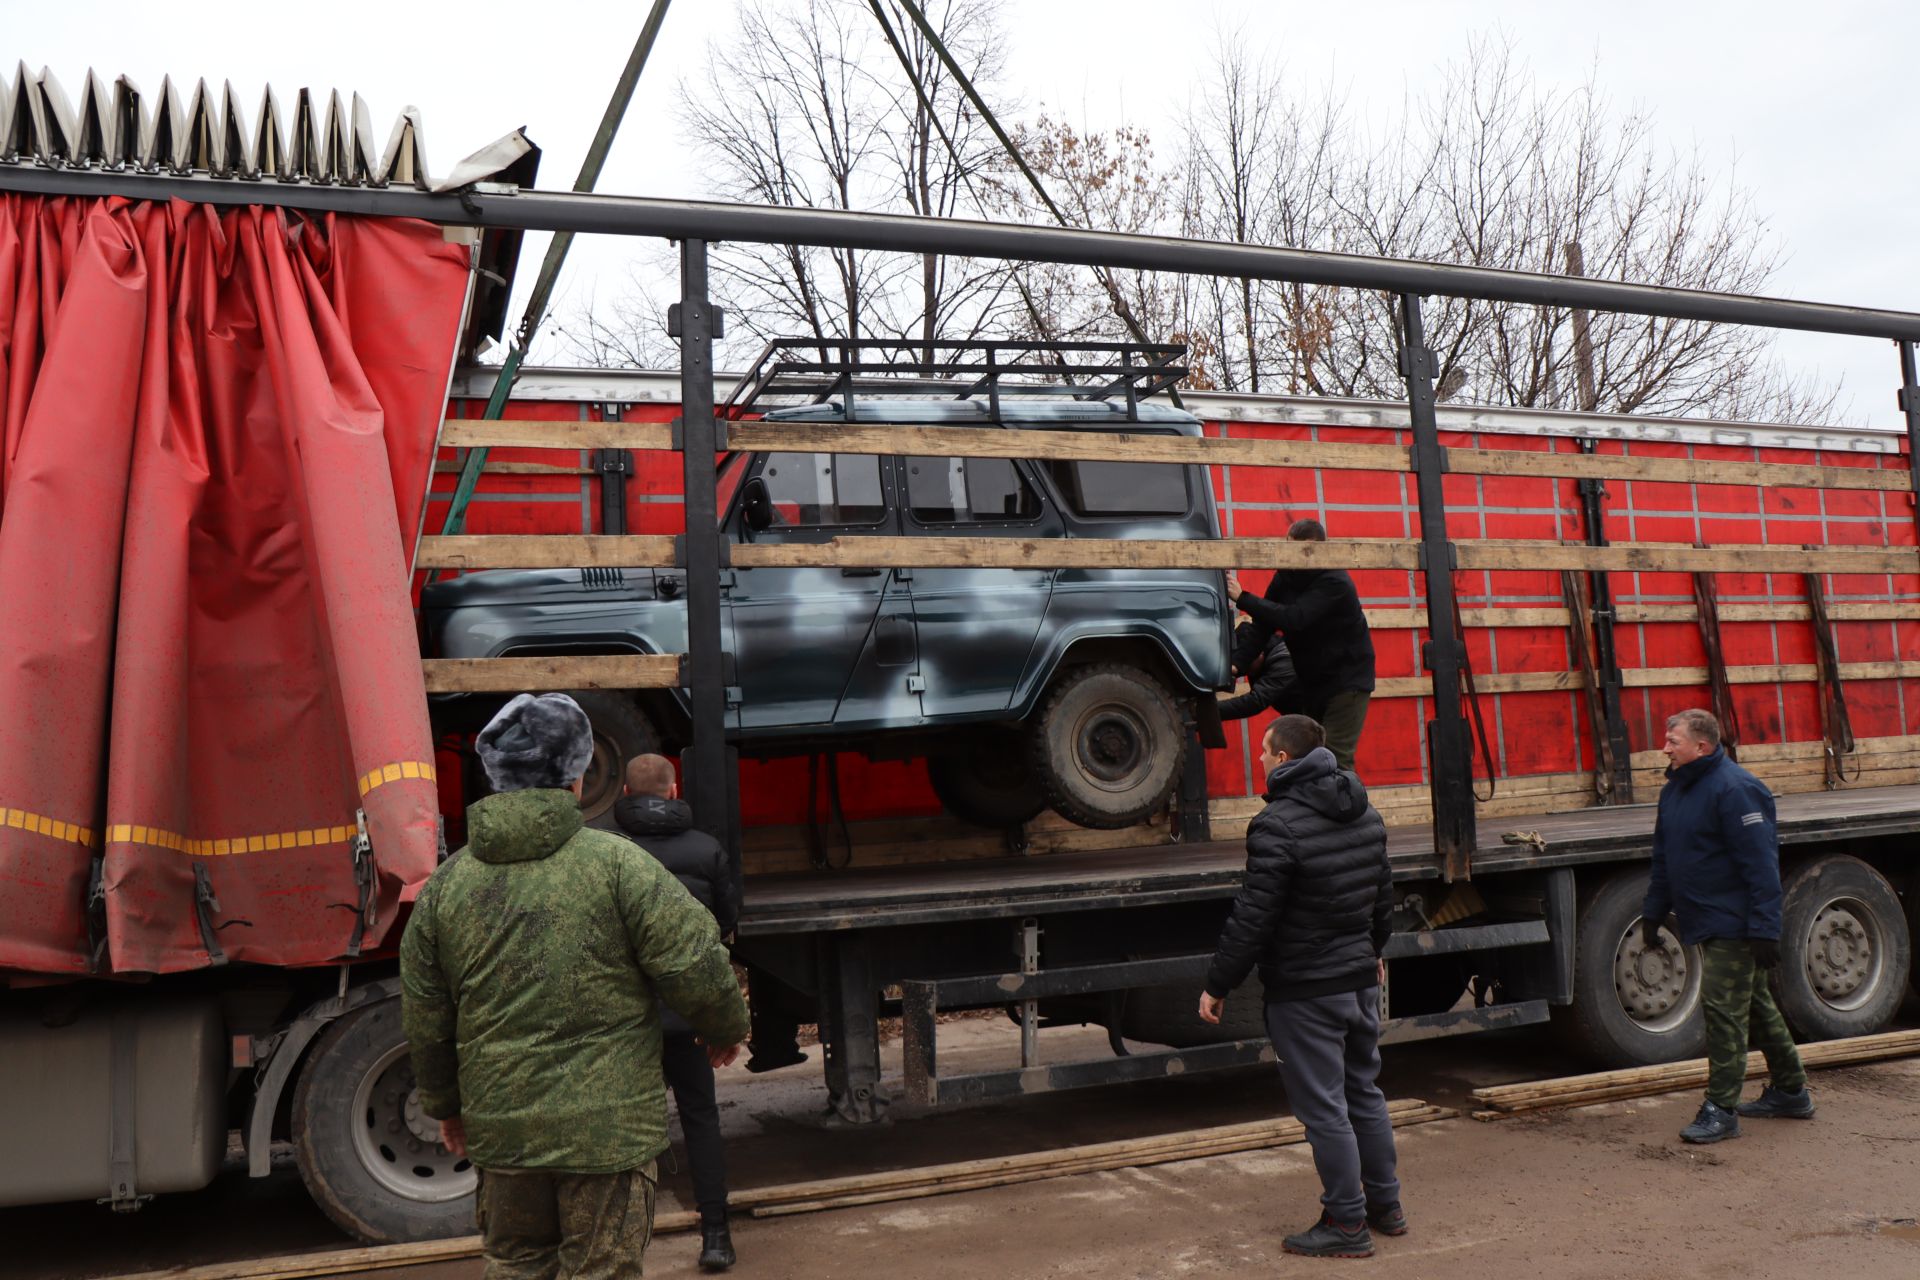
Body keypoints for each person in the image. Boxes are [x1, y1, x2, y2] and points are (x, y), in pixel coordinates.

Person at [401, 693, 751, 1280]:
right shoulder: (619, 866)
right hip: (606, 1135)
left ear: (496, 775)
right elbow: (694, 959)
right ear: (578, 775)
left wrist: (446, 1105)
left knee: (516, 1267)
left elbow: (426, 1013)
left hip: (504, 1132)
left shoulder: (445, 887)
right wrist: (725, 1029)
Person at [1197, 714, 1401, 1259]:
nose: (1260, 759)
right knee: (1364, 1093)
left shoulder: (1277, 825)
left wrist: (1219, 983)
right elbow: (1384, 896)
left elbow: (1253, 916)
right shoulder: (1364, 809)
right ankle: (1386, 1206)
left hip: (1306, 990)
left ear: (1283, 760)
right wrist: (1374, 951)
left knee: (1325, 1110)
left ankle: (1347, 1225)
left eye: (1264, 752)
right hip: (1358, 980)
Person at [1643, 708, 1811, 1144]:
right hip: (1704, 917)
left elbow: (1761, 867)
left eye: (1672, 740)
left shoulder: (1737, 790)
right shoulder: (1675, 791)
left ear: (1701, 746)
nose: (1664, 747)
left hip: (1735, 924)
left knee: (1723, 1012)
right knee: (1754, 1004)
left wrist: (1764, 929)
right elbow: (1665, 859)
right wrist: (1653, 912)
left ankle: (1721, 1109)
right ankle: (1791, 1091)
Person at [613, 753, 741, 1272]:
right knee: (701, 1118)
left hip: (627, 1018)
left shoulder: (608, 852)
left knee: (625, 1130)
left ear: (623, 792)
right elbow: (727, 923)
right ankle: (716, 1237)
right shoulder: (706, 849)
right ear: (672, 791)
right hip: (688, 1015)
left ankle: (624, 1246)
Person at [1226, 518, 1376, 771]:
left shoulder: (1335, 581)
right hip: (1313, 681)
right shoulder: (1286, 576)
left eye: (1301, 551)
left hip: (1346, 681)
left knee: (1334, 760)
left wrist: (1243, 598)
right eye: (1289, 549)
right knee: (1309, 757)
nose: (1293, 558)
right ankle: (1314, 810)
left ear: (1317, 550)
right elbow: (1263, 624)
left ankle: (1348, 809)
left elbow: (1296, 618)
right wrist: (1235, 665)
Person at [1219, 619, 1299, 721]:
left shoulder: (1285, 658)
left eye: (1246, 664)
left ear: (1257, 651)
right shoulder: (1263, 660)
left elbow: (1256, 701)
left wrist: (1210, 711)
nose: (1245, 672)